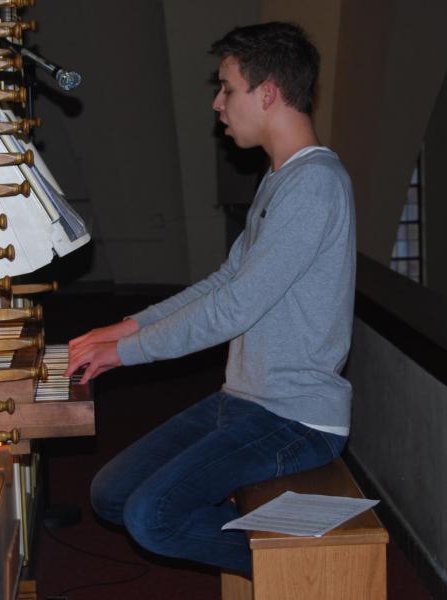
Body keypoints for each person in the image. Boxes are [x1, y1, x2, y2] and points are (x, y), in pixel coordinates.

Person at [64, 21, 356, 575]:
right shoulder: (281, 178)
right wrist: (125, 327)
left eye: (227, 88)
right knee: (111, 494)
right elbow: (225, 281)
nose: (218, 104)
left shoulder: (315, 184)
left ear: (267, 93)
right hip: (246, 400)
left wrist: (125, 354)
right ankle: (275, 555)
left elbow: (235, 307)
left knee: (152, 518)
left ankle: (306, 575)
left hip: (297, 419)